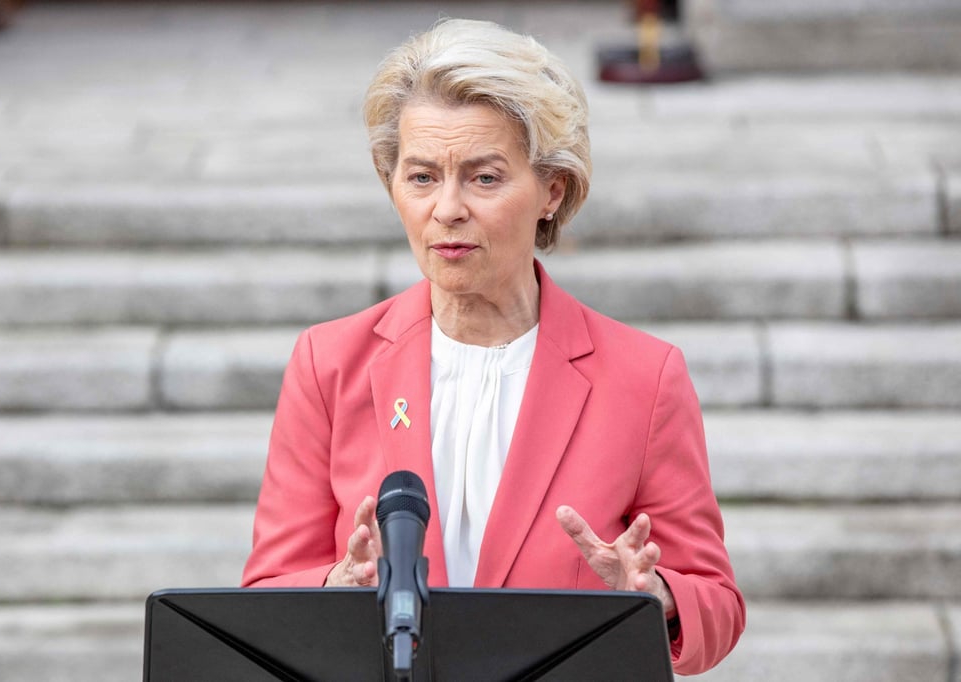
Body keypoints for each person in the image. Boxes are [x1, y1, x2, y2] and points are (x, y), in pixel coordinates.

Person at [242, 18, 745, 675]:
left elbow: (717, 601)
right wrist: (331, 596)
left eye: (483, 178)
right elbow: (266, 590)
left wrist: (658, 598)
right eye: (421, 177)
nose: (447, 209)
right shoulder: (329, 363)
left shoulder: (644, 378)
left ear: (551, 190)